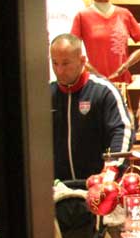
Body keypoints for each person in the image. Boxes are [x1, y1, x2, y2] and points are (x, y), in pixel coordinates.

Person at [50, 33, 132, 181]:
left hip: (97, 188)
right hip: (56, 190)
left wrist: (112, 170)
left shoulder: (104, 91)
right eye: (55, 63)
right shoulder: (45, 95)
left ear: (82, 61)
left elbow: (122, 130)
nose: (59, 70)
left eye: (65, 63)